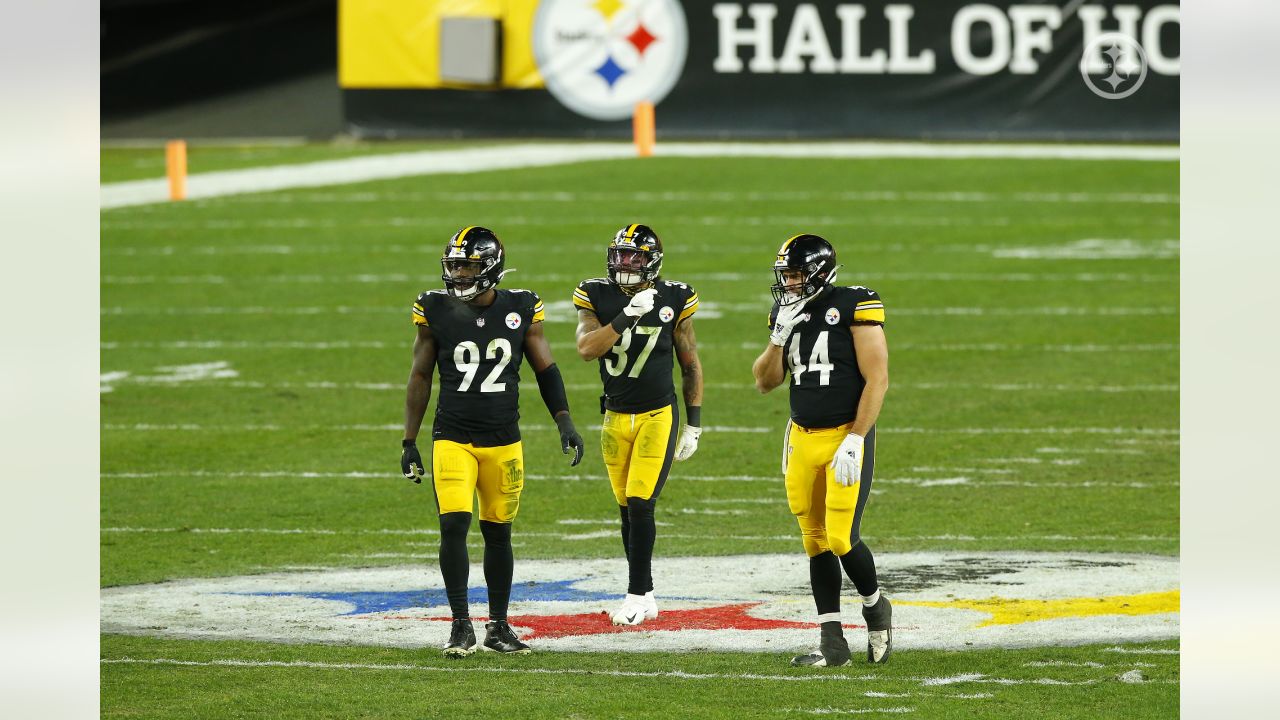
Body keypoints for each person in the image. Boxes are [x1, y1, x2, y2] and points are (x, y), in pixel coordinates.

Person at [401, 225, 585, 657]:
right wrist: (410, 439)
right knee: (453, 525)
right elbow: (420, 374)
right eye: (455, 265)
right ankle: (460, 625)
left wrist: (564, 421)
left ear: (491, 268)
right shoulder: (435, 309)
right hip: (453, 438)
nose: (458, 274)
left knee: (498, 533)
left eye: (467, 266)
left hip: (504, 441)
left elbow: (546, 370)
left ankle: (498, 626)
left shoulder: (522, 307)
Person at [750, 233, 893, 666]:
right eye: (785, 276)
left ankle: (875, 606)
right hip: (801, 436)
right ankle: (832, 642)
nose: (788, 283)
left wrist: (856, 437)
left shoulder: (854, 304)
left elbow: (877, 379)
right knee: (814, 541)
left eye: (795, 275)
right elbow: (764, 381)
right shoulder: (785, 311)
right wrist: (778, 336)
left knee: (840, 536)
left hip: (845, 436)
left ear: (818, 273)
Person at [572, 223, 704, 626]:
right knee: (627, 508)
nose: (626, 263)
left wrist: (693, 423)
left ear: (653, 262)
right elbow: (586, 349)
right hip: (614, 416)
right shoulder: (595, 295)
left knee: (642, 504)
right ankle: (645, 593)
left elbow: (690, 362)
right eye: (620, 255)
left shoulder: (675, 297)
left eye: (636, 257)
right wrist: (625, 317)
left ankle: (635, 593)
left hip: (656, 415)